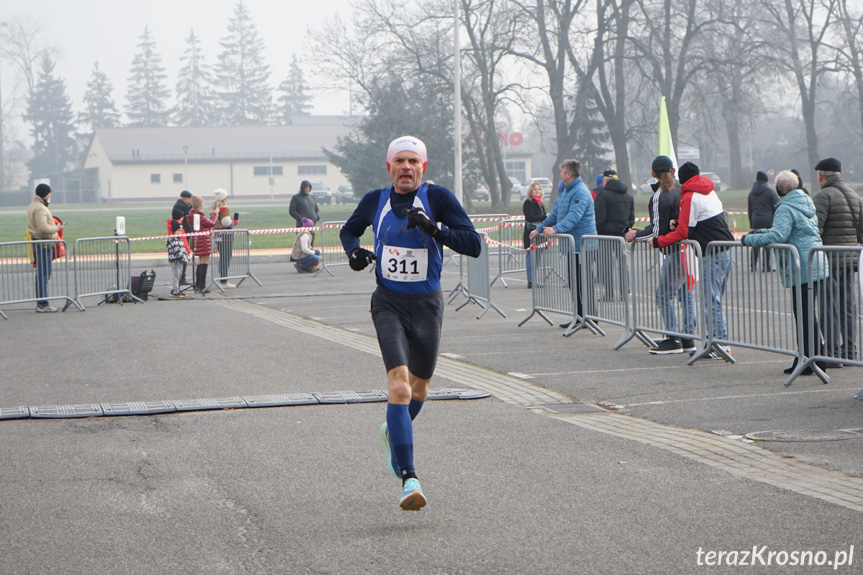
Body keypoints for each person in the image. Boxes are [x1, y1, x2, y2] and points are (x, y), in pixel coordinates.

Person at [340, 135, 481, 511]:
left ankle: (393, 428)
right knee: (399, 387)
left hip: (427, 305)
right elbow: (348, 229)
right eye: (399, 161)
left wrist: (435, 229)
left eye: (412, 161)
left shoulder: (439, 199)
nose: (406, 167)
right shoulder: (376, 200)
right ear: (390, 167)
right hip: (388, 303)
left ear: (423, 167)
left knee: (419, 389)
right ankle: (409, 478)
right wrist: (354, 252)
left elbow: (473, 244)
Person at [741, 170, 830, 375]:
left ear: (779, 189)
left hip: (802, 264)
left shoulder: (785, 207)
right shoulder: (805, 202)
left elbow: (779, 235)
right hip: (816, 261)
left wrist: (749, 239)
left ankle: (809, 359)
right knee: (808, 314)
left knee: (803, 314)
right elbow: (789, 231)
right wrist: (762, 233)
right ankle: (814, 357)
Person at [653, 162, 735, 361]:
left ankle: (720, 344)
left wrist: (659, 241)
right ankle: (714, 341)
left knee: (710, 301)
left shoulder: (689, 196)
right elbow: (700, 220)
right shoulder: (709, 191)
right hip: (725, 250)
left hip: (711, 252)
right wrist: (680, 221)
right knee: (714, 300)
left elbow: (683, 232)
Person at [625, 156, 696, 355]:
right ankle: (688, 336)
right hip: (689, 249)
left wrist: (635, 235)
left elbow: (657, 232)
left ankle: (673, 337)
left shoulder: (659, 195)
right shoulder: (682, 190)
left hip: (673, 249)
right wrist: (645, 231)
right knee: (685, 294)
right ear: (673, 171)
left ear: (653, 174)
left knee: (663, 295)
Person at [529, 159, 597, 326]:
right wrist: (541, 228)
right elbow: (556, 214)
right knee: (573, 282)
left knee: (583, 283)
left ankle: (590, 318)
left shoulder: (580, 192)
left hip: (583, 246)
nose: (560, 175)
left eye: (562, 172)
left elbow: (574, 217)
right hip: (572, 246)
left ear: (569, 174)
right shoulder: (567, 191)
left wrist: (556, 229)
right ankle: (580, 317)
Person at [812, 157, 863, 365]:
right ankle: (850, 351)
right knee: (848, 307)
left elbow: (816, 230)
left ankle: (832, 354)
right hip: (850, 260)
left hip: (829, 260)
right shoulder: (855, 196)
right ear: (840, 174)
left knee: (828, 308)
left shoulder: (823, 196)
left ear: (821, 175)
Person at [594, 170, 635, 300]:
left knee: (606, 265)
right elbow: (631, 218)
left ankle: (609, 293)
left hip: (605, 235)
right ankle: (624, 291)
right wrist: (626, 228)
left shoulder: (603, 196)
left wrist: (597, 231)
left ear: (605, 181)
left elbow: (600, 218)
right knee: (622, 263)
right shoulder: (628, 196)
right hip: (621, 234)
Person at [26, 183, 65, 313]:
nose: (50, 195)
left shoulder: (35, 205)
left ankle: (42, 302)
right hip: (43, 244)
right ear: (44, 194)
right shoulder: (40, 208)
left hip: (40, 243)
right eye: (49, 193)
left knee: (42, 274)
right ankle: (43, 303)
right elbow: (43, 228)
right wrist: (57, 228)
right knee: (43, 274)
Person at [747, 171, 780, 272]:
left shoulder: (751, 193)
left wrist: (752, 223)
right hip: (768, 220)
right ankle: (766, 266)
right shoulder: (770, 192)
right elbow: (777, 206)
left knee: (755, 242)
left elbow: (750, 209)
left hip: (756, 220)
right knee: (767, 243)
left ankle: (753, 265)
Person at [186, 195, 218, 293]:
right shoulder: (199, 214)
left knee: (200, 262)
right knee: (204, 262)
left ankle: (198, 284)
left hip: (198, 240)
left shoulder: (193, 214)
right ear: (199, 205)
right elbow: (212, 223)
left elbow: (205, 223)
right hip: (204, 241)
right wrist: (215, 214)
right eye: (202, 203)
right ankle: (202, 285)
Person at [522, 182, 547, 289]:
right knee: (531, 257)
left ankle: (534, 279)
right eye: (535, 189)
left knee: (537, 258)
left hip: (540, 233)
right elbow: (530, 217)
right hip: (531, 232)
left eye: (539, 189)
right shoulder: (528, 202)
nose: (537, 191)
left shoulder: (541, 203)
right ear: (531, 191)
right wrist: (544, 216)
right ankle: (531, 281)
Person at [210, 189, 237, 288]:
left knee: (222, 258)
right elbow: (226, 222)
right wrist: (233, 222)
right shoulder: (224, 209)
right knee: (226, 258)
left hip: (218, 236)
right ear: (225, 198)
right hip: (226, 237)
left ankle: (223, 279)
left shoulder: (214, 208)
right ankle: (224, 281)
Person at [171, 190, 194, 285]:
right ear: (186, 199)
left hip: (183, 232)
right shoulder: (182, 206)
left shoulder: (180, 205)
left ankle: (181, 277)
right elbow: (191, 213)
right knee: (184, 255)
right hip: (183, 233)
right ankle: (181, 278)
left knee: (184, 255)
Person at [166, 220, 190, 297]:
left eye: (181, 231)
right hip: (175, 261)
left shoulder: (180, 239)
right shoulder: (173, 240)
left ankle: (176, 289)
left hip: (180, 260)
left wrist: (187, 257)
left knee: (179, 275)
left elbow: (183, 250)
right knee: (176, 275)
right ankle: (176, 291)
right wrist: (183, 258)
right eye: (178, 231)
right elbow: (177, 251)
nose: (180, 232)